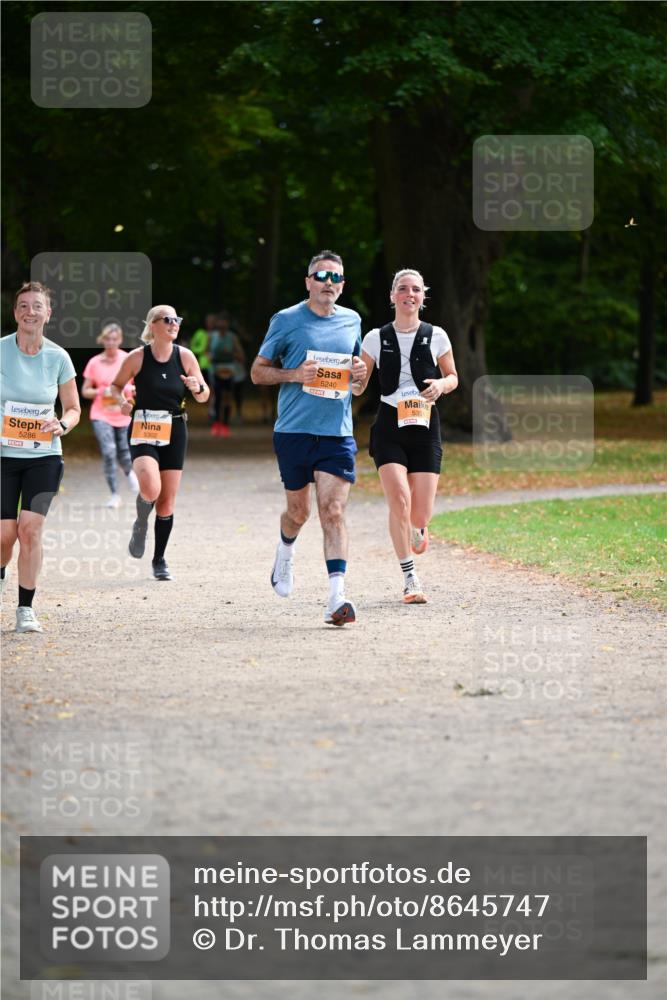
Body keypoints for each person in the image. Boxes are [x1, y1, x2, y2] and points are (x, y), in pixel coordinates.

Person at [251, 250, 367, 626]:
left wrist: (361, 375)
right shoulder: (286, 320)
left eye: (336, 278)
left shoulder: (352, 321)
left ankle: (337, 598)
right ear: (308, 282)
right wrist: (294, 375)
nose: (328, 283)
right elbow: (257, 373)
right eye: (321, 276)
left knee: (333, 511)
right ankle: (284, 553)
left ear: (343, 285)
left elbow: (355, 382)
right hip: (294, 431)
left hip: (336, 434)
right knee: (299, 512)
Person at [358, 268, 458, 604]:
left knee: (419, 513)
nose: (409, 294)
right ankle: (410, 577)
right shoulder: (375, 337)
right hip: (388, 423)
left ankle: (419, 527)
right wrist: (355, 377)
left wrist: (442, 385)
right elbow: (359, 387)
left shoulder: (437, 335)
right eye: (403, 288)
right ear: (392, 296)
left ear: (423, 297)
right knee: (398, 498)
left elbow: (453, 376)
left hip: (425, 423)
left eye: (416, 289)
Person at [0, 281, 81, 633]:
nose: (29, 311)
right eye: (23, 306)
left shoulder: (58, 357)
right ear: (15, 312)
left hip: (44, 455)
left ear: (48, 313)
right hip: (3, 454)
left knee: (30, 530)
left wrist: (62, 423)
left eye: (37, 306)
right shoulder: (0, 350)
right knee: (4, 536)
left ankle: (25, 609)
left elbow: (75, 408)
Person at [110, 305, 209, 581]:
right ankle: (141, 522)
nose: (173, 324)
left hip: (175, 428)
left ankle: (159, 559)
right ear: (152, 325)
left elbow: (204, 395)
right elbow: (115, 386)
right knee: (150, 488)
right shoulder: (137, 357)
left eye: (177, 319)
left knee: (166, 502)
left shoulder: (185, 356)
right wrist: (122, 401)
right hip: (143, 426)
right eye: (167, 319)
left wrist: (196, 387)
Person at [81, 323, 139, 507]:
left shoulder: (128, 359)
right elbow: (85, 391)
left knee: (124, 451)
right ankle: (114, 494)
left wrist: (127, 388)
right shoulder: (94, 362)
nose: (111, 342)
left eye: (115, 339)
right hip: (101, 414)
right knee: (109, 451)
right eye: (108, 339)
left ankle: (130, 473)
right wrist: (102, 392)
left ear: (120, 340)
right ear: (102, 340)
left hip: (123, 412)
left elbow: (140, 386)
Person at [208, 312, 246, 437]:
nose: (222, 324)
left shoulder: (232, 337)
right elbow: (206, 352)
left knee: (228, 397)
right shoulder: (212, 336)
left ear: (228, 324)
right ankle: (216, 423)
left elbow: (241, 355)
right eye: (220, 322)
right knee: (217, 397)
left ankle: (225, 424)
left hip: (229, 370)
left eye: (224, 322)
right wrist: (210, 357)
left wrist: (231, 354)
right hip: (216, 370)